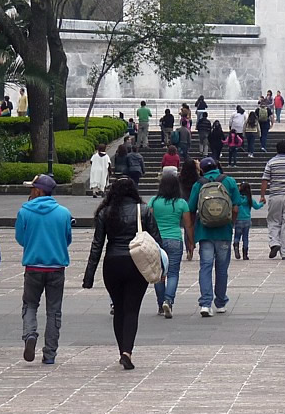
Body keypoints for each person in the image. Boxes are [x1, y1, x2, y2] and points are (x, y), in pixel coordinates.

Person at [83, 178, 161, 370]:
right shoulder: (142, 211)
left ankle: (121, 351)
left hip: (112, 264)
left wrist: (89, 275)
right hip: (137, 263)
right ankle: (127, 351)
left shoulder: (105, 212)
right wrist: (162, 268)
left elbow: (97, 245)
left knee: (119, 308)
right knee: (132, 309)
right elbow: (156, 240)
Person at [15, 174, 73, 365]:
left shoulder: (24, 212)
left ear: (38, 191)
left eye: (32, 189)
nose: (30, 192)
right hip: (56, 267)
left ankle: (30, 335)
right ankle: (49, 354)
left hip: (33, 267)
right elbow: (67, 240)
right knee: (54, 311)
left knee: (30, 305)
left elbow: (20, 239)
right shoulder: (64, 213)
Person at [188, 157, 241, 315]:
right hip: (224, 232)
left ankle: (205, 303)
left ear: (202, 170)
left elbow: (191, 209)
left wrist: (191, 236)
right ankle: (220, 302)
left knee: (205, 267)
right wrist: (230, 223)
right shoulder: (229, 181)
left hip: (205, 232)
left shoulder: (199, 184)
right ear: (217, 166)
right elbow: (236, 208)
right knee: (222, 268)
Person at [149, 173, 192, 319]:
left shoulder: (154, 201)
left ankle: (161, 304)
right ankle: (169, 300)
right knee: (173, 273)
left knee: (158, 274)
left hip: (156, 241)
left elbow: (148, 220)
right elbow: (188, 225)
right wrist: (191, 242)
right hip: (174, 239)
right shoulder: (181, 203)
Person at [232, 180, 262, 261]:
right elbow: (257, 206)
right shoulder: (250, 199)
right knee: (245, 237)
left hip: (238, 219)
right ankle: (245, 254)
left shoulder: (237, 199)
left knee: (237, 236)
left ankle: (236, 246)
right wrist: (262, 203)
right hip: (247, 220)